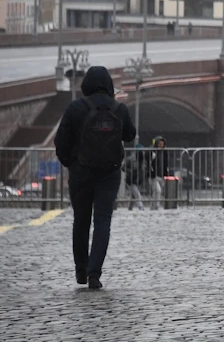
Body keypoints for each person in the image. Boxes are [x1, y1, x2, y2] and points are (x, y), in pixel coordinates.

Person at [54, 66, 136, 290]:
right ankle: (94, 273)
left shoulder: (75, 108)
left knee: (81, 221)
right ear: (109, 84)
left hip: (80, 172)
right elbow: (130, 135)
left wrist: (70, 163)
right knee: (102, 222)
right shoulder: (119, 108)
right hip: (109, 174)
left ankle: (80, 270)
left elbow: (61, 141)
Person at [149, 136, 170, 210]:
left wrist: (166, 173)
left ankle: (153, 206)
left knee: (157, 191)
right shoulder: (152, 151)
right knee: (158, 190)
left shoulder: (165, 152)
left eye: (162, 144)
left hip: (161, 175)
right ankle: (156, 205)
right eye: (159, 144)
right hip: (153, 175)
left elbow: (166, 164)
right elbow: (149, 162)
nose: (161, 146)